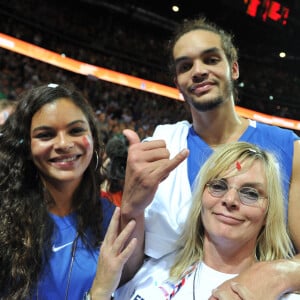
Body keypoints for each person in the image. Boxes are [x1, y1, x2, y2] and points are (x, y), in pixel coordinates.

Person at [108, 16, 300, 299]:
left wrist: (276, 274)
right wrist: (132, 209)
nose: (198, 71)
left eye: (210, 60)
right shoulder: (160, 148)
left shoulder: (289, 148)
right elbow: (128, 271)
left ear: (233, 68)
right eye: (186, 66)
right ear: (177, 82)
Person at [0, 83, 139, 300]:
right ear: (26, 145)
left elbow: (130, 277)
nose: (64, 144)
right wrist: (99, 293)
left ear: (93, 138)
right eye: (46, 135)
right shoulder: (5, 214)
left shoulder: (109, 215)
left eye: (76, 131)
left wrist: (138, 203)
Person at [111, 142, 299, 299]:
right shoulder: (152, 271)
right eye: (218, 185)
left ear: (268, 213)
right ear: (201, 197)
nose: (230, 200)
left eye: (250, 193)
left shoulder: (284, 296)